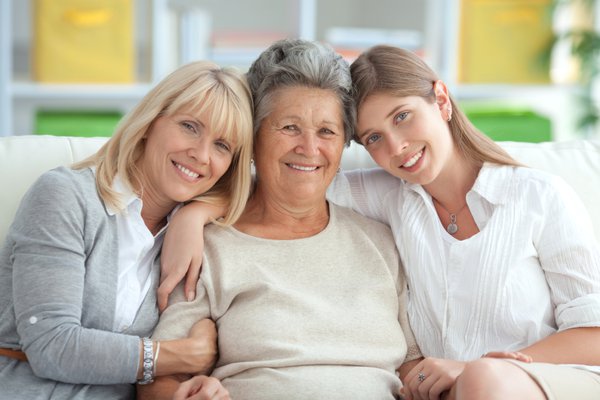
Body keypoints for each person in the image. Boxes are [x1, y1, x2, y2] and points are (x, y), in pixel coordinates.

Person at [138, 39, 423, 400]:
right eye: (289, 127)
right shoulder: (206, 246)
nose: (308, 147)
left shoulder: (380, 239)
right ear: (253, 138)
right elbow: (160, 382)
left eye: (327, 131)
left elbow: (412, 366)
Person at [324, 45, 600, 400]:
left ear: (440, 100)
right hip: (455, 393)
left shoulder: (540, 196)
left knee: (485, 379)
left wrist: (475, 369)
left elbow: (594, 335)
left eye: (402, 116)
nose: (396, 147)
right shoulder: (389, 197)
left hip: (553, 383)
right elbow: (291, 180)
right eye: (374, 138)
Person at [0, 60, 254, 399]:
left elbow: (273, 186)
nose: (201, 155)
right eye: (190, 127)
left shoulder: (198, 236)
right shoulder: (64, 196)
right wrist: (183, 354)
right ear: (151, 121)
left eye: (222, 145)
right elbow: (52, 345)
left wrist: (196, 214)